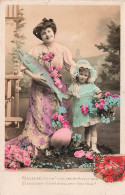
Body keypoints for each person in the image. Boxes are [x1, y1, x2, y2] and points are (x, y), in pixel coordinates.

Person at [7, 18, 75, 150]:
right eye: (44, 33)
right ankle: (40, 144)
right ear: (40, 36)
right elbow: (24, 67)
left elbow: (72, 68)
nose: (47, 35)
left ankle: (58, 143)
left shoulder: (62, 49)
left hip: (57, 87)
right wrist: (34, 76)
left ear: (53, 31)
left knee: (58, 114)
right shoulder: (34, 50)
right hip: (38, 87)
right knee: (40, 115)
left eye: (49, 31)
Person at [68, 60, 101, 153]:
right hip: (80, 110)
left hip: (91, 109)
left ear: (88, 76)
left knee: (93, 127)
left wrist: (98, 96)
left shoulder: (91, 85)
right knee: (86, 127)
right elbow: (68, 95)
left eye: (85, 75)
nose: (83, 77)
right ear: (76, 73)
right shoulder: (74, 86)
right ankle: (87, 144)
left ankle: (94, 147)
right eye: (81, 74)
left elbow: (99, 92)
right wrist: (60, 95)